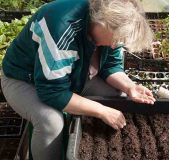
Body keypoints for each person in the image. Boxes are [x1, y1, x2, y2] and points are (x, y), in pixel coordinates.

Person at [1, 0, 155, 159]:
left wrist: (130, 87)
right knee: (51, 122)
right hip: (24, 79)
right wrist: (101, 111)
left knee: (116, 95)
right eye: (117, 40)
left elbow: (111, 65)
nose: (117, 46)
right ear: (102, 23)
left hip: (72, 76)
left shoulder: (111, 31)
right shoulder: (62, 27)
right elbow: (53, 93)